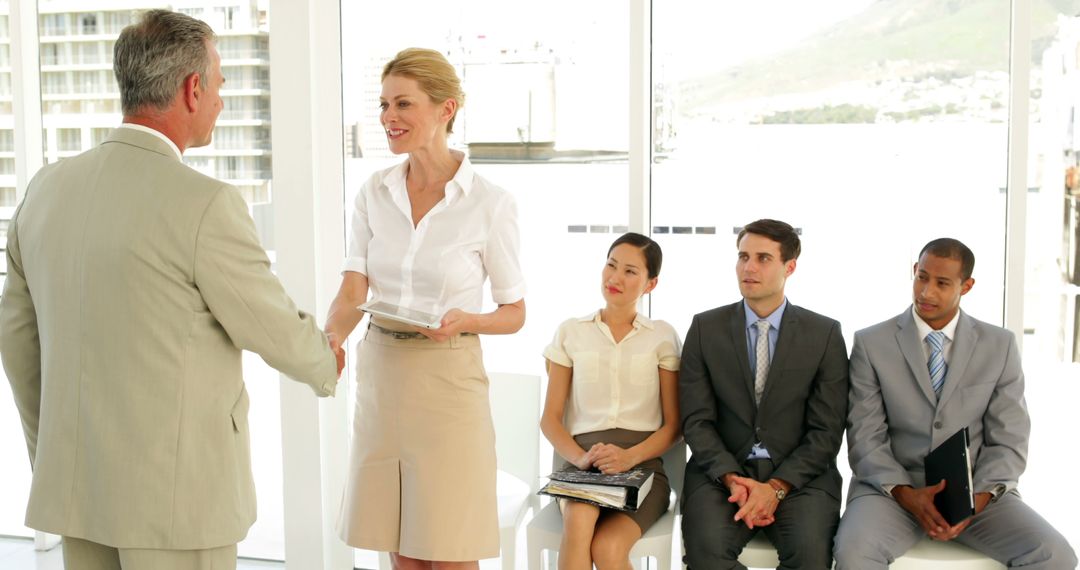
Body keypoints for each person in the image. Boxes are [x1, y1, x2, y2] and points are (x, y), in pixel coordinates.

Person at [0, 10, 344, 570]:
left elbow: (17, 344)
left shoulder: (43, 190)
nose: (221, 100)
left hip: (78, 492)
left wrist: (58, 452)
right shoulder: (205, 203)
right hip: (179, 506)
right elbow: (269, 323)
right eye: (220, 84)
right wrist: (325, 359)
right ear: (192, 89)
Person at [325, 48, 526, 569]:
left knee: (450, 547)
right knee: (401, 551)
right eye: (384, 104)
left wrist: (468, 320)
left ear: (445, 109)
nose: (389, 117)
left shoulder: (490, 202)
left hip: (449, 383)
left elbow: (514, 311)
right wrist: (329, 339)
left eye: (403, 104)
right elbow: (353, 288)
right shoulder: (375, 191)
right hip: (382, 376)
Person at [834, 238, 1077, 569]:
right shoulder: (871, 343)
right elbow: (865, 436)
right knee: (853, 552)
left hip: (977, 495)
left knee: (1055, 556)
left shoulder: (1000, 345)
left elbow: (1009, 438)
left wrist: (974, 501)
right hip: (890, 494)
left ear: (967, 285)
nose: (926, 292)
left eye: (942, 283)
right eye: (921, 277)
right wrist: (907, 494)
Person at [678, 219, 849, 569]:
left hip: (800, 478)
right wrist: (730, 477)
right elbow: (697, 421)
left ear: (790, 266)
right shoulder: (704, 328)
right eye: (743, 256)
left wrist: (776, 487)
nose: (748, 267)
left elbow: (827, 432)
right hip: (721, 475)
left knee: (810, 557)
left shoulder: (824, 334)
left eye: (763, 258)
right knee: (706, 553)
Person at [540, 232, 682, 570]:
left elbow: (675, 426)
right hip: (582, 465)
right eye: (611, 265)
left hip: (642, 467)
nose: (615, 277)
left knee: (607, 549)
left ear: (651, 284)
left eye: (631, 271)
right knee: (580, 519)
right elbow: (550, 419)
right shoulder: (570, 331)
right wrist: (582, 458)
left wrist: (628, 457)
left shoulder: (662, 336)